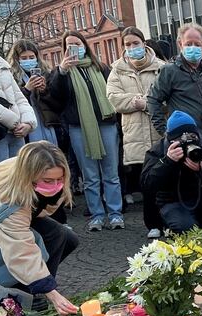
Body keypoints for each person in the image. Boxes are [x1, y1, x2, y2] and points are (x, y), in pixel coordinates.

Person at [0, 142, 79, 314]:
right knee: (41, 241)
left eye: (59, 179)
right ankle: (22, 295)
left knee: (66, 238)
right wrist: (53, 294)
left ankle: (36, 287)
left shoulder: (35, 169)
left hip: (22, 209)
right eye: (48, 181)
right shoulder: (7, 199)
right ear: (30, 177)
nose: (55, 185)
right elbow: (20, 251)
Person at [48, 31, 124, 232]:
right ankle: (97, 215)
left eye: (78, 43)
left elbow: (113, 93)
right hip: (79, 127)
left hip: (106, 123)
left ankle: (116, 214)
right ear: (65, 50)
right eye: (70, 45)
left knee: (111, 172)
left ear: (85, 45)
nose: (75, 48)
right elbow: (56, 96)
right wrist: (62, 71)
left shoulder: (101, 67)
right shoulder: (62, 73)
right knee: (90, 175)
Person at [141, 111, 202, 257]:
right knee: (188, 231)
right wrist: (167, 161)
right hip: (172, 202)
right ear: (170, 139)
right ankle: (179, 231)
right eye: (181, 139)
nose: (187, 142)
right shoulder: (158, 150)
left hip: (201, 195)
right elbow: (147, 184)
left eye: (191, 137)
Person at [106, 27, 165, 239]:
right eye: (128, 44)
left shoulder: (161, 67)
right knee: (146, 180)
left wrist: (147, 103)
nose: (132, 48)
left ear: (143, 43)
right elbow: (113, 97)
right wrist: (135, 101)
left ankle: (168, 219)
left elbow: (166, 96)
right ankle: (153, 224)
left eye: (135, 43)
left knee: (164, 178)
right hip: (135, 133)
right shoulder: (117, 70)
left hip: (158, 130)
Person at [147, 23, 202, 148]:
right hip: (184, 140)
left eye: (197, 44)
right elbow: (153, 100)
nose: (193, 47)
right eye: (188, 44)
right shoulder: (169, 71)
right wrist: (165, 132)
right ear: (180, 45)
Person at [0, 25, 37, 172]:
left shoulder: (2, 65)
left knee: (20, 180)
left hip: (17, 132)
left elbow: (19, 97)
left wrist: (28, 123)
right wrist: (14, 121)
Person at [7, 40, 60, 146]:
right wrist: (27, 89)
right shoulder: (10, 76)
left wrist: (44, 92)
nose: (29, 61)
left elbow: (57, 104)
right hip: (26, 127)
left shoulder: (47, 73)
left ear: (37, 57)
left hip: (48, 124)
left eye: (31, 57)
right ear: (17, 59)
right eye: (24, 58)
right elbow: (12, 103)